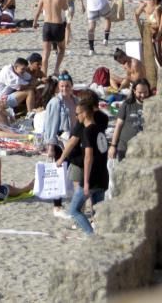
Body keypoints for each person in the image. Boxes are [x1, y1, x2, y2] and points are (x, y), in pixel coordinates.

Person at [69, 96, 109, 234]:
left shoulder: (87, 131)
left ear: (84, 113)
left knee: (73, 210)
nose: (76, 116)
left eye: (77, 113)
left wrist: (85, 182)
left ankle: (91, 235)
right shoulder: (100, 130)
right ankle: (100, 235)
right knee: (97, 213)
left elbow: (88, 157)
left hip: (92, 179)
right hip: (103, 177)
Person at [33, 0, 69, 75]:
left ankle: (44, 73)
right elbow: (66, 8)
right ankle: (56, 69)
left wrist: (35, 22)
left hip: (47, 25)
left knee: (46, 52)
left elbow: (38, 11)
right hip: (57, 25)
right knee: (61, 49)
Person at [110, 78, 150, 161]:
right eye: (140, 93)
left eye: (145, 92)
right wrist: (113, 146)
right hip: (124, 148)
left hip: (144, 149)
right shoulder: (127, 104)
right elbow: (118, 125)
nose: (143, 95)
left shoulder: (153, 105)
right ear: (134, 91)